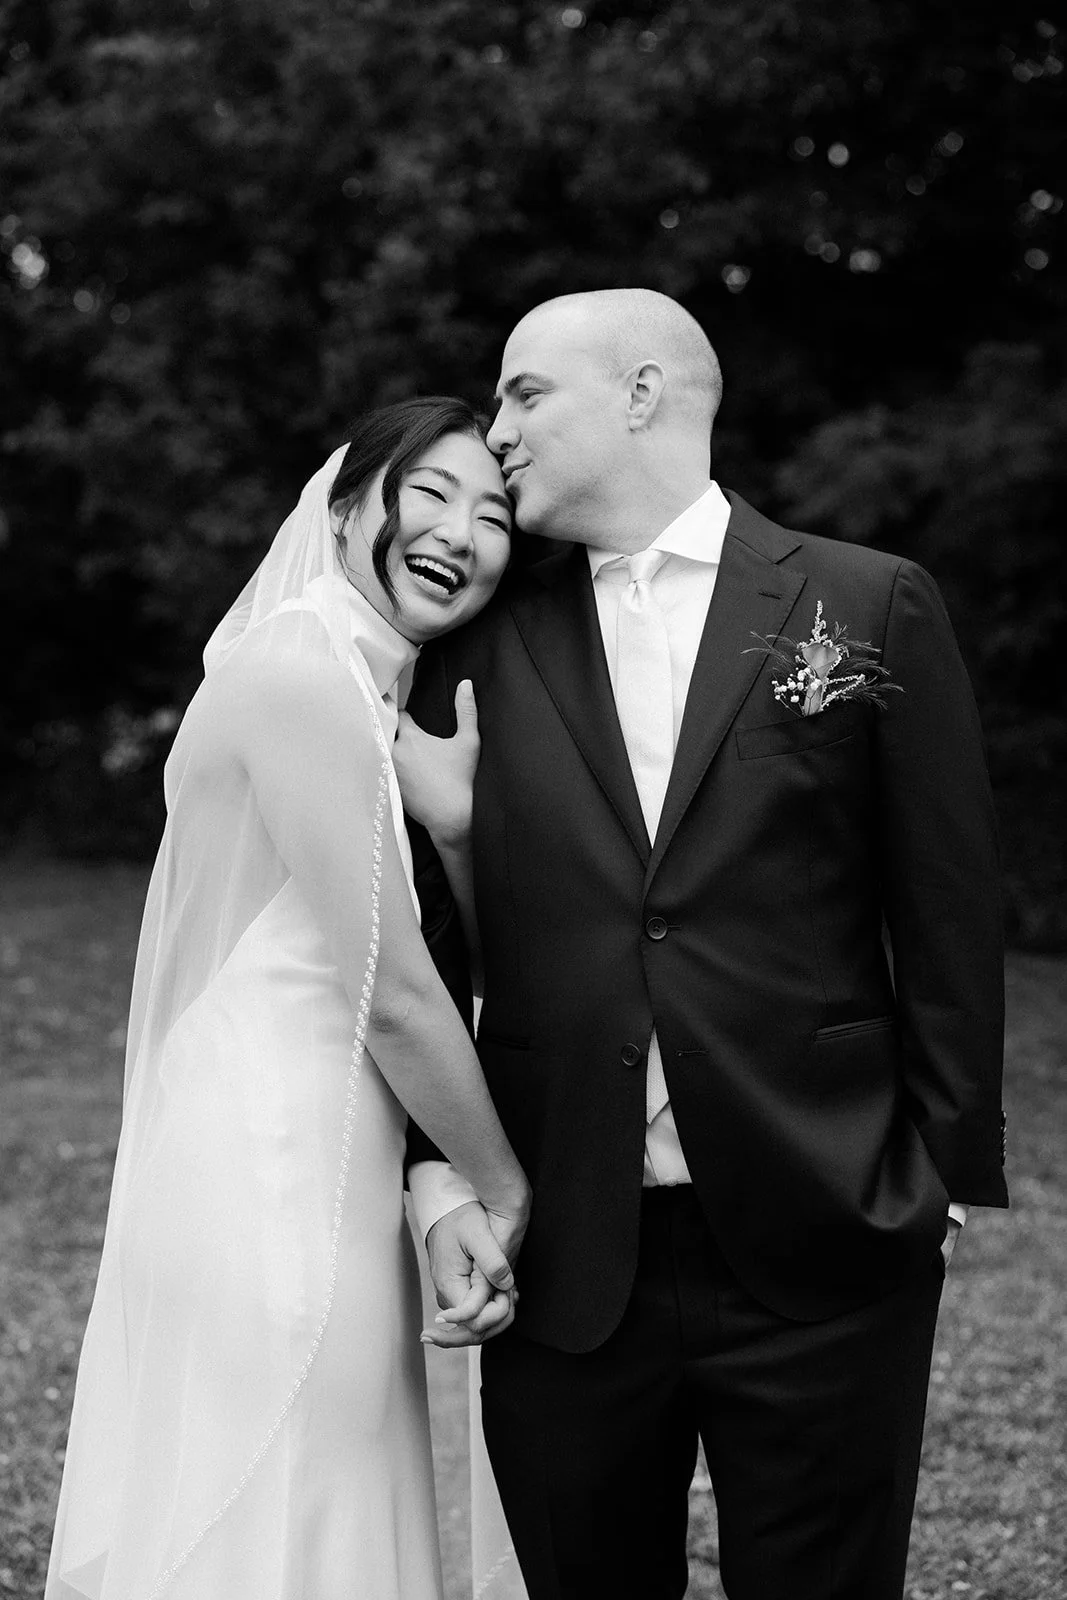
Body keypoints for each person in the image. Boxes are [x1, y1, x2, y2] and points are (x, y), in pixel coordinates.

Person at [398, 291, 1009, 1600]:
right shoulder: (472, 642)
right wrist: (435, 1180)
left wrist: (939, 1180)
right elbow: (416, 937)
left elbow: (947, 909)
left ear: (640, 392)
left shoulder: (863, 602)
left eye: (522, 393)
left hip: (826, 1228)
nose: (493, 428)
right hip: (561, 1247)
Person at [45, 397, 530, 1600]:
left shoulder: (359, 693)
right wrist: (504, 1186)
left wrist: (459, 826)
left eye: (493, 513)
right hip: (269, 1163)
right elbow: (402, 999)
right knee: (278, 1494)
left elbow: (434, 946)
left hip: (317, 1152)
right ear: (346, 502)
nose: (461, 533)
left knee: (315, 1481)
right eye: (430, 494)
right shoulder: (302, 668)